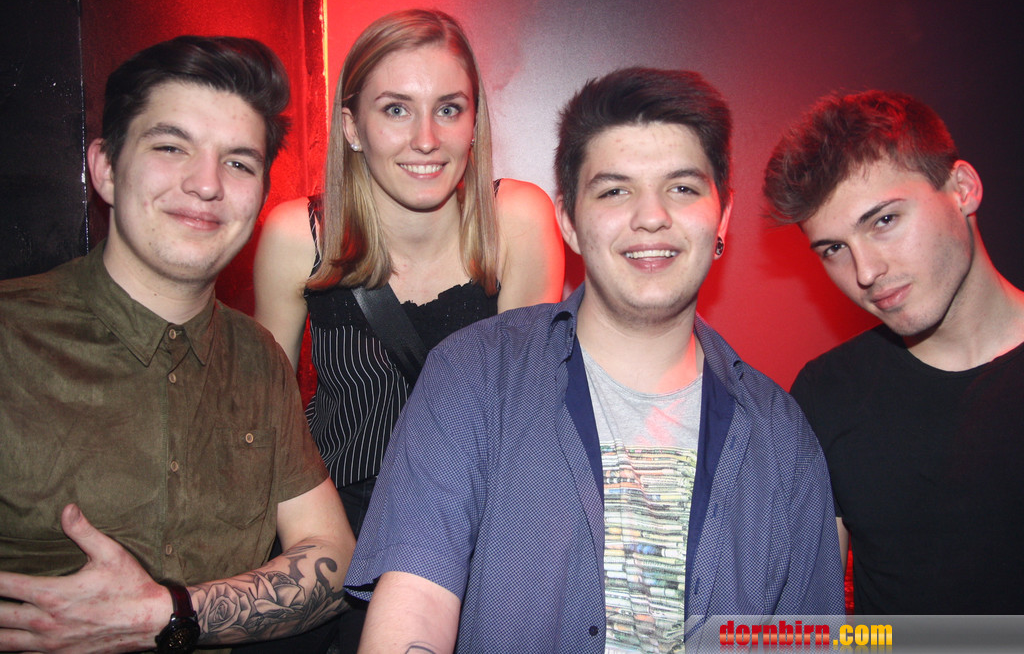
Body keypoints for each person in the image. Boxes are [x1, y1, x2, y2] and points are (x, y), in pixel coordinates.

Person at [345, 67, 844, 653]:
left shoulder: (781, 439)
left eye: (683, 188)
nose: (651, 216)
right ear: (569, 222)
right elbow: (416, 604)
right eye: (614, 191)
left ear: (723, 216)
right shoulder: (473, 376)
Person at [0, 36, 354, 654]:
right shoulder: (11, 336)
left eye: (239, 163)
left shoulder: (259, 358)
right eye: (171, 147)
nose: (207, 184)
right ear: (105, 168)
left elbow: (334, 559)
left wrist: (168, 614)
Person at [253, 8, 564, 539]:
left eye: (448, 109)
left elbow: (524, 416)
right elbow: (263, 424)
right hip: (335, 523)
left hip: (472, 521)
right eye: (396, 109)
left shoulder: (516, 220)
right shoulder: (299, 236)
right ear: (352, 127)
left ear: (473, 124)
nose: (426, 138)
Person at [763, 90, 1024, 613]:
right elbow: (807, 621)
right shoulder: (828, 392)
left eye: (883, 221)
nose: (865, 272)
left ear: (963, 189)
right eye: (834, 249)